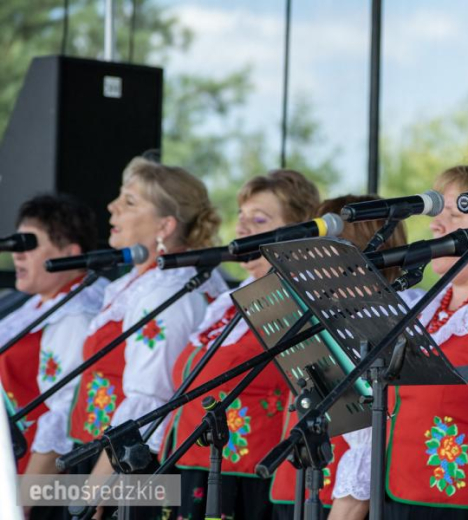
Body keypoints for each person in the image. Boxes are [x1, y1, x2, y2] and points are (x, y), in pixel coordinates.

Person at [331, 166, 468, 520]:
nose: (435, 225)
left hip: (461, 510)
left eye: (453, 214)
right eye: (437, 214)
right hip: (393, 502)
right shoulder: (424, 306)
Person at [160, 170, 321, 520]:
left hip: (245, 478)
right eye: (242, 218)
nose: (243, 228)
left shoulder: (295, 300)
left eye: (259, 219)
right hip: (192, 465)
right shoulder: (227, 301)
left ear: (297, 230)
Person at [65, 157, 226, 487]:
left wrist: (95, 491)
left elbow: (150, 401)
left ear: (164, 226)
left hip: (130, 469)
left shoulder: (167, 292)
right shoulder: (149, 284)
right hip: (110, 456)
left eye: (129, 202)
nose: (112, 207)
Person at [270, 194, 416, 520]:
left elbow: (368, 442)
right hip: (316, 493)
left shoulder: (383, 319)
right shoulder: (336, 316)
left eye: (325, 246)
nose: (312, 258)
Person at [0, 194, 105, 478]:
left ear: (70, 253)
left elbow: (63, 415)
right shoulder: (33, 303)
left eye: (29, 245)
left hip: (34, 477)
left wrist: (26, 497)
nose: (17, 254)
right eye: (17, 244)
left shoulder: (76, 314)